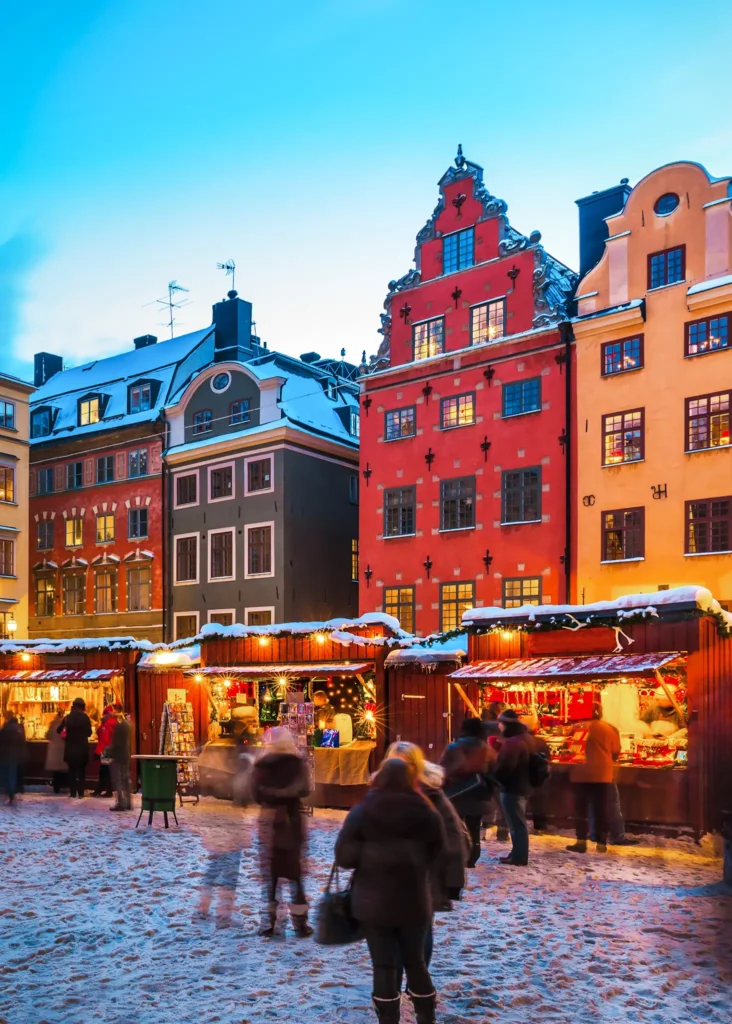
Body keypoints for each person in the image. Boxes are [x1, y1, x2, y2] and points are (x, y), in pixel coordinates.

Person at [335, 758, 444, 1024]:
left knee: (383, 965)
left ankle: (388, 1019)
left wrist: (369, 855)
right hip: (415, 900)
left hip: (374, 902)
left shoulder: (363, 809)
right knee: (415, 962)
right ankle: (426, 1017)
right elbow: (438, 852)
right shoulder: (426, 809)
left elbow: (344, 857)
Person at [386, 742, 469, 983]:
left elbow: (453, 839)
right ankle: (396, 982)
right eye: (394, 764)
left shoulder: (432, 796)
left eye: (405, 765)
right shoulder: (383, 794)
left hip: (423, 878)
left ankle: (417, 982)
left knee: (420, 932)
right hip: (390, 878)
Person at [251, 728, 312, 938]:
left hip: (270, 822)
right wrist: (289, 793)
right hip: (293, 820)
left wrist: (272, 796)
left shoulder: (262, 765)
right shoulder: (297, 764)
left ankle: (268, 923)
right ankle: (300, 924)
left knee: (271, 876)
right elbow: (305, 789)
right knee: (295, 876)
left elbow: (256, 793)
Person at [566, 705, 621, 854]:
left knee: (580, 809)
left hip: (580, 773)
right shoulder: (609, 728)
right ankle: (601, 843)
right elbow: (616, 750)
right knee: (601, 808)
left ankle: (581, 842)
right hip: (602, 774)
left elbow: (568, 748)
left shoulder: (576, 728)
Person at [439, 718, 493, 868]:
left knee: (455, 828)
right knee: (474, 828)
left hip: (456, 793)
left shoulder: (454, 747)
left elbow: (442, 769)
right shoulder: (486, 749)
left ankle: (458, 856)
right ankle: (473, 857)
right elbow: (495, 769)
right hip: (479, 792)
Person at [492, 709, 533, 866]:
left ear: (506, 725)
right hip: (523, 786)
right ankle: (516, 852)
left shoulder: (513, 743)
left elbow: (506, 767)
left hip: (513, 788)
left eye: (500, 723)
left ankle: (519, 856)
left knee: (516, 824)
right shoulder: (526, 738)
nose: (499, 726)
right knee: (518, 823)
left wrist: (495, 777)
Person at [521, 714, 552, 833]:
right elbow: (547, 759)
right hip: (539, 777)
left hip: (524, 776)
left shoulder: (520, 741)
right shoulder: (540, 741)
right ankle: (540, 827)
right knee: (539, 803)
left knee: (522, 803)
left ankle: (521, 825)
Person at [59, 697, 92, 798]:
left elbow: (58, 730)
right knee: (81, 772)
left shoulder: (67, 717)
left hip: (71, 749)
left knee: (72, 772)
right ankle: (81, 793)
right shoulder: (85, 717)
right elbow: (89, 733)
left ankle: (73, 792)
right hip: (82, 750)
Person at [106, 705, 132, 811]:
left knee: (119, 780)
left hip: (120, 755)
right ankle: (128, 802)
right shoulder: (127, 725)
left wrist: (109, 751)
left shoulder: (119, 726)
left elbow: (116, 743)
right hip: (126, 754)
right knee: (125, 779)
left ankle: (121, 803)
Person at [0, 712, 26, 804]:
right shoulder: (19, 730)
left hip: (4, 755)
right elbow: (22, 742)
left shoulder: (4, 729)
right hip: (14, 756)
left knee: (4, 774)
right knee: (12, 774)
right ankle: (11, 792)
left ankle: (6, 790)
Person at [45, 707, 68, 794]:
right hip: (63, 749)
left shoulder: (52, 724)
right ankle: (64, 786)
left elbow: (48, 736)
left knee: (56, 772)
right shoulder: (65, 725)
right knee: (63, 770)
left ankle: (56, 787)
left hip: (54, 750)